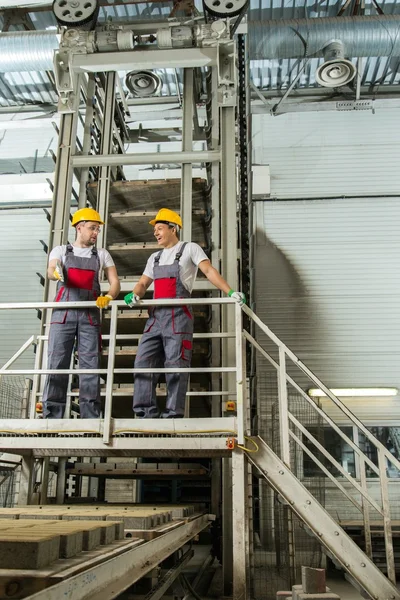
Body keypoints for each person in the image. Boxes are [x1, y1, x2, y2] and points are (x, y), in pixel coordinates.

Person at [124, 208, 245, 419]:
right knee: (143, 362)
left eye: (160, 228)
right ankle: (145, 414)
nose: (156, 233)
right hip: (155, 317)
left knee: (176, 365)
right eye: (155, 230)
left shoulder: (190, 249)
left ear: (174, 228)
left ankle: (172, 415)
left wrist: (230, 291)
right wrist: (134, 294)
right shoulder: (154, 257)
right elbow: (143, 283)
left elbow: (208, 271)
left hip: (178, 317)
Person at [42, 207, 121, 419]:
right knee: (57, 363)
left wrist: (110, 297)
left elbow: (115, 283)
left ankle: (91, 418)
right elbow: (51, 269)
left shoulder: (102, 255)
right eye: (92, 228)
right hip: (63, 316)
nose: (96, 233)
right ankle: (52, 416)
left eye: (97, 229)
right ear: (79, 227)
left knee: (90, 365)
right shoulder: (60, 251)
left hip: (89, 316)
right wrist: (55, 272)